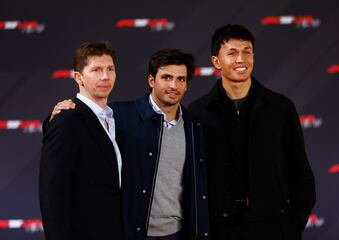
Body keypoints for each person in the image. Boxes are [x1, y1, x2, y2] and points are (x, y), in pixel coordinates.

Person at [49, 48, 210, 240]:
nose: (173, 85)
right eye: (166, 77)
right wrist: (54, 117)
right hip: (130, 232)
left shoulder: (193, 126)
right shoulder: (119, 115)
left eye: (181, 79)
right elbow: (79, 125)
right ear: (152, 80)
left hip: (176, 233)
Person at [188, 24, 316, 240]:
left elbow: (301, 173)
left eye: (247, 52)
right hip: (220, 229)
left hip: (274, 228)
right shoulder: (197, 112)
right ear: (216, 61)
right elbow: (191, 178)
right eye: (232, 53)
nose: (241, 60)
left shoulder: (281, 107)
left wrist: (291, 226)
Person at [39, 41, 122, 240]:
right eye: (96, 70)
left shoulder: (116, 118)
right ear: (79, 77)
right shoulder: (67, 119)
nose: (105, 76)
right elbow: (52, 194)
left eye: (110, 69)